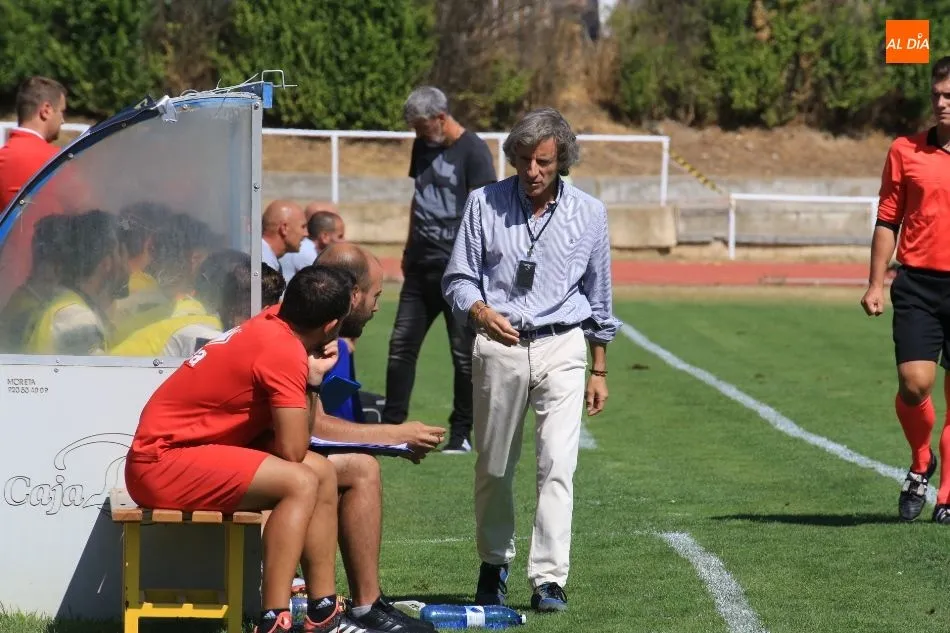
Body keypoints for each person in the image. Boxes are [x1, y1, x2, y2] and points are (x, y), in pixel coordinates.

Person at [125, 265, 380, 633]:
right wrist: (313, 382)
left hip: (182, 452)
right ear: (330, 326)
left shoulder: (274, 320)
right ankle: (273, 618)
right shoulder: (284, 352)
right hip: (160, 463)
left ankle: (323, 613)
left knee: (321, 472)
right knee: (301, 481)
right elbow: (292, 451)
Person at [442, 107, 619, 612]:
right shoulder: (484, 203)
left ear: (563, 158)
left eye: (543, 161)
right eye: (523, 160)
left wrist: (600, 368)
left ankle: (548, 579)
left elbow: (599, 295)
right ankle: (494, 563)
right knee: (495, 465)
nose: (532, 171)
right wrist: (480, 311)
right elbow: (457, 278)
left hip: (563, 344)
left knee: (558, 464)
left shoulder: (589, 213)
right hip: (499, 343)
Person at [292, 244, 444, 633]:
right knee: (338, 471)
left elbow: (315, 423)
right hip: (235, 460)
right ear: (353, 295)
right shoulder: (304, 336)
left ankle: (366, 606)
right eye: (375, 295)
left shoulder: (323, 335)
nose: (377, 307)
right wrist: (396, 433)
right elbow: (314, 427)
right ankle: (324, 611)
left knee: (360, 467)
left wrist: (389, 442)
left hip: (264, 451)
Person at [384, 86, 498, 454]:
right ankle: (390, 428)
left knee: (463, 356)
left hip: (460, 275)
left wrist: (478, 269)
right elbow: (419, 197)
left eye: (420, 126)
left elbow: (487, 216)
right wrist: (406, 247)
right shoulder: (423, 146)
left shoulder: (474, 151)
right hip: (419, 268)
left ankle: (461, 434)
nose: (416, 134)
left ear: (440, 118)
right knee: (401, 346)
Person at [861, 55, 950, 525]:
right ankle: (921, 460)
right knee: (915, 385)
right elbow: (887, 219)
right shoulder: (905, 150)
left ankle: (948, 493)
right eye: (936, 94)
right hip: (917, 282)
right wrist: (876, 282)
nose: (941, 103)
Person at [0, 76, 69, 304]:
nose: (63, 119)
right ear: (46, 110)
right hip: (46, 289)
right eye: (62, 111)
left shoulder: (4, 157)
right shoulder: (58, 163)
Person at [279, 209, 345, 285]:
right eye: (340, 236)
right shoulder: (308, 252)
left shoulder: (308, 249)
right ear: (325, 237)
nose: (344, 241)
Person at [262, 200, 308, 276]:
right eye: (303, 227)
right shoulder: (263, 264)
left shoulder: (267, 260)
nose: (306, 233)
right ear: (284, 228)